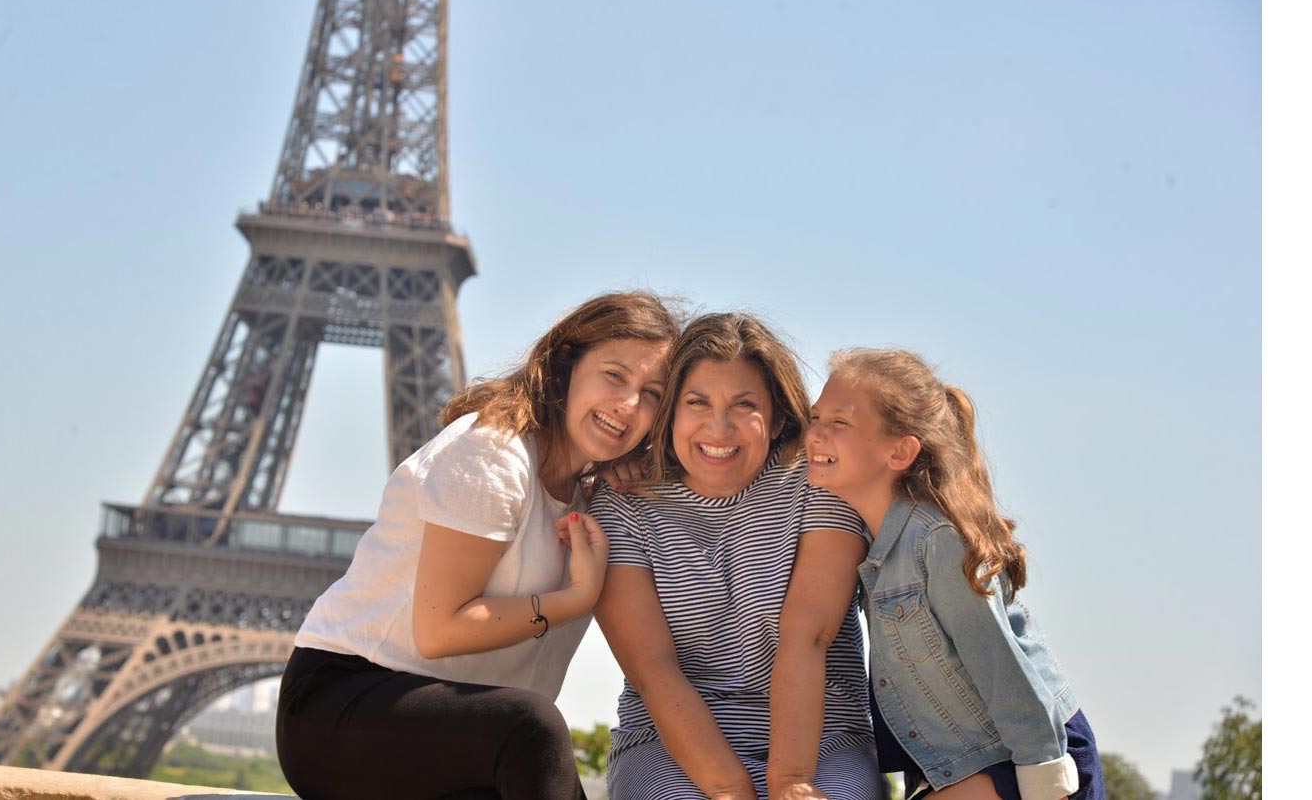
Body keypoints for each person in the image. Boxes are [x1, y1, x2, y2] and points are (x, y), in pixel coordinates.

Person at [275, 291, 681, 800]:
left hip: (453, 733)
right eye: (614, 376)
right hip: (341, 706)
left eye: (652, 395)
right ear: (565, 368)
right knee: (531, 726)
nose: (628, 405)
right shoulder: (493, 454)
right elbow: (439, 631)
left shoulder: (593, 495)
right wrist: (575, 598)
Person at [776, 348, 1102, 800]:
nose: (816, 433)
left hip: (1032, 758)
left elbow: (1002, 668)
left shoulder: (937, 542)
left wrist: (1044, 780)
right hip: (964, 764)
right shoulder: (880, 547)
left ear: (901, 451)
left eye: (840, 423)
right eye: (816, 417)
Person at [587, 313, 885, 800]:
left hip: (823, 738)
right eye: (696, 403)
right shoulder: (622, 503)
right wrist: (728, 791)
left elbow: (808, 635)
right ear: (669, 413)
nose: (718, 428)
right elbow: (653, 668)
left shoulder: (820, 483)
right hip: (669, 743)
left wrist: (792, 783)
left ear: (777, 417)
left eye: (743, 405)